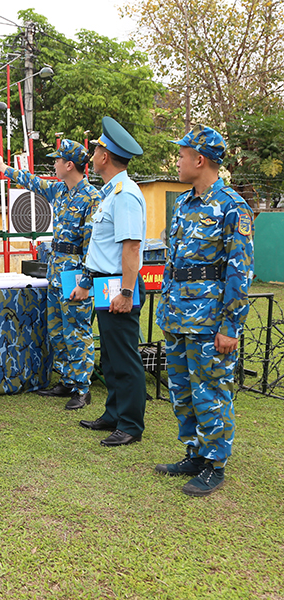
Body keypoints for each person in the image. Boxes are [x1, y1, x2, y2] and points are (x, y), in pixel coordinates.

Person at [154, 125, 254, 496]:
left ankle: (215, 464)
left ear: (200, 160)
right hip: (177, 315)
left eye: (181, 156)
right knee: (182, 391)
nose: (178, 162)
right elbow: (173, 262)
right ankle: (195, 454)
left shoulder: (232, 207)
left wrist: (230, 325)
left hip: (210, 321)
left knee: (211, 391)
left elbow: (239, 271)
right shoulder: (183, 204)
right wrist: (166, 305)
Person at [0, 140, 100, 410]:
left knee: (76, 330)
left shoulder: (92, 197)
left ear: (69, 165)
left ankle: (82, 388)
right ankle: (67, 380)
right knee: (57, 329)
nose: (54, 164)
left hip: (75, 272)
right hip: (56, 269)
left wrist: (86, 281)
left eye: (57, 160)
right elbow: (33, 182)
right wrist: (4, 168)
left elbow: (93, 246)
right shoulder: (60, 190)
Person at [72, 117, 147, 446]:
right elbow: (102, 248)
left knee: (124, 356)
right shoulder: (111, 193)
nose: (93, 155)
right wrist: (88, 282)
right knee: (111, 356)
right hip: (107, 283)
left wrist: (127, 292)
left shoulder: (125, 194)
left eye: (96, 150)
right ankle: (113, 414)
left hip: (120, 285)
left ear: (105, 157)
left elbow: (131, 247)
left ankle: (130, 424)